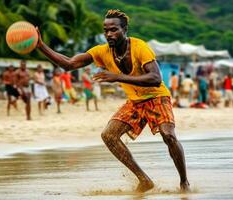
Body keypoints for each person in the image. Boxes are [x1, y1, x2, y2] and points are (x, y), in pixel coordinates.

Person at [36, 9, 190, 192]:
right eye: (106, 30)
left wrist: (117, 77)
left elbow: (155, 78)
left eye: (114, 30)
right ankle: (144, 179)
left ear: (125, 29)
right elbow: (69, 64)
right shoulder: (101, 52)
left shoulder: (140, 47)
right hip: (135, 101)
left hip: (157, 97)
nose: (109, 34)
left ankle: (184, 182)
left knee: (169, 136)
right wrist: (41, 46)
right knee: (108, 135)